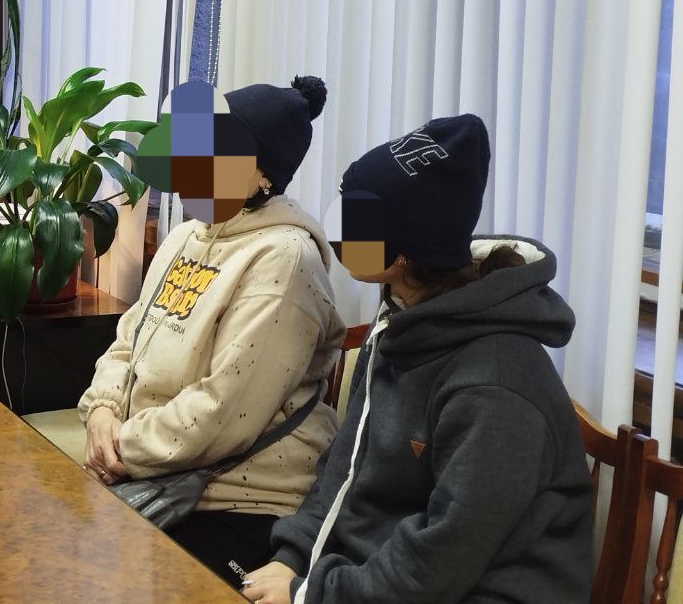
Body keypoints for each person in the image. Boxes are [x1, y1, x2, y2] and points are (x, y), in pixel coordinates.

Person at [243, 114, 591, 604]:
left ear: (405, 252)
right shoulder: (401, 321)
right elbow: (344, 468)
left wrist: (312, 593)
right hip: (377, 576)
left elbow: (443, 558)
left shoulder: (494, 384)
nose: (338, 235)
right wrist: (293, 557)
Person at [77, 76, 345, 589]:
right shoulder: (184, 237)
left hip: (241, 498)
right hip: (153, 470)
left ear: (263, 175)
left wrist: (121, 448)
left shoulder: (285, 259)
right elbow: (126, 342)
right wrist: (102, 413)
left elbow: (223, 413)